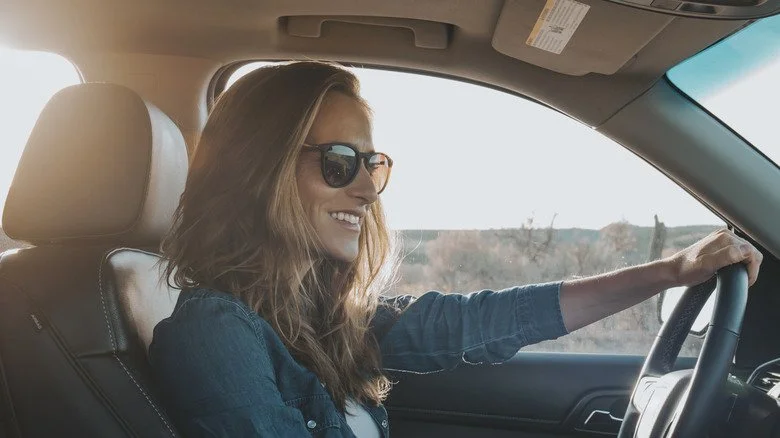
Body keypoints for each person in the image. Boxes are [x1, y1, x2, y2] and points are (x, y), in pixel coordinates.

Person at [149, 61, 763, 438]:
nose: (366, 188)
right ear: (259, 170)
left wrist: (670, 272)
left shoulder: (321, 321)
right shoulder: (216, 332)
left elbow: (483, 320)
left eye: (372, 163)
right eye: (339, 163)